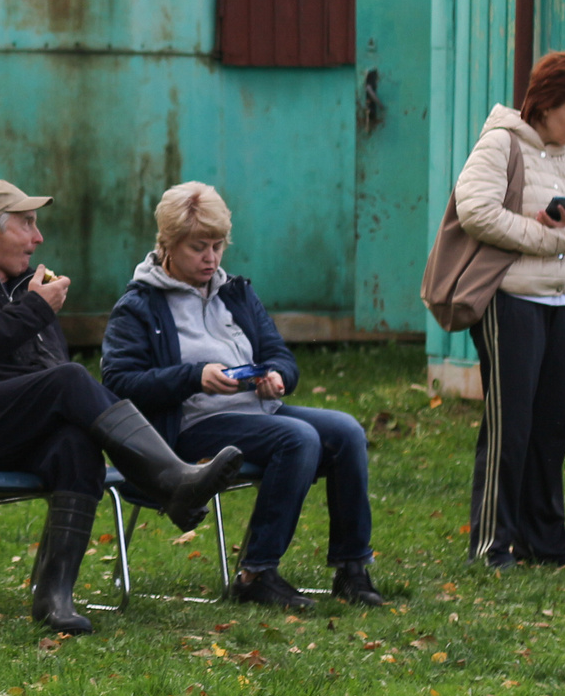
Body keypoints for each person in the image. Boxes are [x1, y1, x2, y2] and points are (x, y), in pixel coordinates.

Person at [0, 179, 247, 637]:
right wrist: (33, 312)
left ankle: (54, 597)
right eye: (27, 224)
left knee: (76, 442)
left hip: (11, 431)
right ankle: (170, 480)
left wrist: (32, 313)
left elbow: (47, 371)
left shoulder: (26, 290)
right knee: (68, 382)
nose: (38, 237)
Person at [101, 183, 385, 610]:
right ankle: (257, 573)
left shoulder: (234, 291)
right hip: (189, 427)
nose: (211, 258)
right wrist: (194, 377)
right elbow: (119, 382)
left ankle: (352, 568)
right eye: (199, 247)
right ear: (168, 245)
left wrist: (276, 377)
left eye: (217, 246)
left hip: (257, 411)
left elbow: (279, 354)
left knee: (345, 430)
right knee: (298, 438)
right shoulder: (138, 305)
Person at [453, 51, 565, 570]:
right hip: (509, 300)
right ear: (545, 104)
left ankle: (546, 543)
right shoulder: (500, 143)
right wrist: (549, 237)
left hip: (562, 302)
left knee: (551, 425)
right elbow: (474, 211)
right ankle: (491, 545)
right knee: (510, 423)